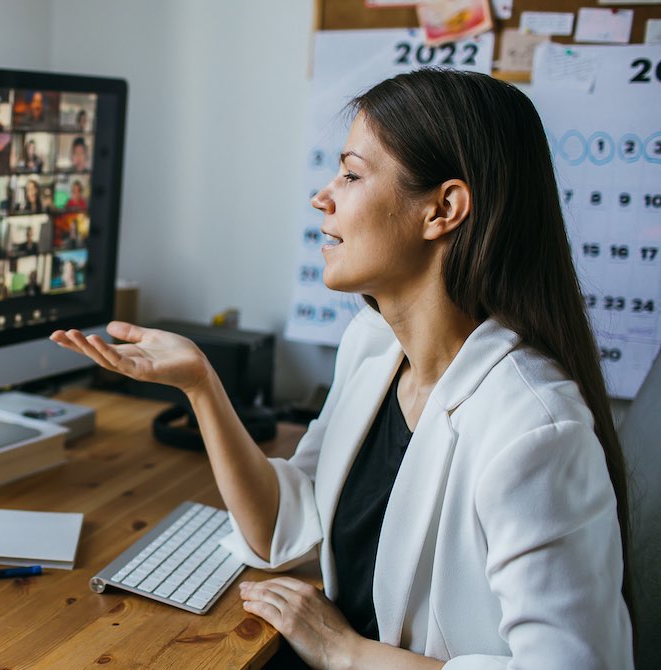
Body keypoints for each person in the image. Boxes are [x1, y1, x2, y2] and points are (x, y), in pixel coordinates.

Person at [50, 69, 633, 669]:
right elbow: (286, 524)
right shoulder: (372, 346)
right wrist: (200, 384)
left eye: (352, 174)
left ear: (443, 209)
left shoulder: (535, 430)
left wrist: (345, 652)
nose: (322, 195)